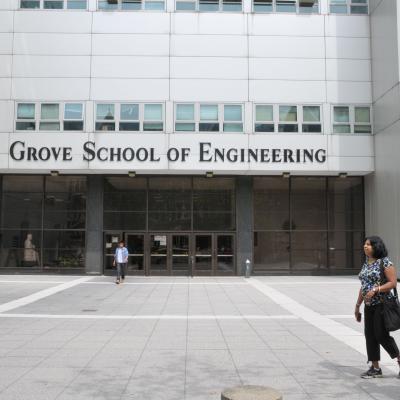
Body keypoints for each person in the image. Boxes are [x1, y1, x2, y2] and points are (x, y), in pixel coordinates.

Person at [355, 236, 400, 378]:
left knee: (381, 335)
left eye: (369, 244)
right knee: (370, 336)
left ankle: (399, 358)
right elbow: (363, 287)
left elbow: (393, 283)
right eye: (365, 244)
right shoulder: (366, 263)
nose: (365, 246)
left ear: (377, 246)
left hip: (382, 304)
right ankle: (375, 368)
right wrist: (357, 306)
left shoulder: (385, 262)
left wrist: (376, 289)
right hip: (369, 306)